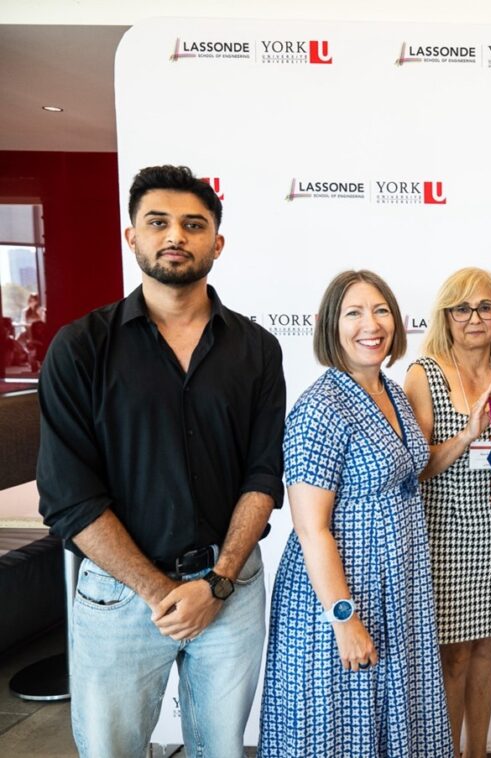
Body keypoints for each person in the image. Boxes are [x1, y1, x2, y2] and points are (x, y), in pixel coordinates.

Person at [37, 164, 285, 757]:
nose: (176, 235)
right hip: (118, 597)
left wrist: (218, 582)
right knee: (110, 750)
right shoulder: (81, 348)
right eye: (158, 222)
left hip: (231, 588)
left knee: (222, 749)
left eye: (193, 225)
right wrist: (158, 591)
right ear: (133, 236)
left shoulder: (256, 348)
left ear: (216, 243)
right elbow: (69, 497)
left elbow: (262, 475)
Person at [259, 270, 453, 756]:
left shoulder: (389, 391)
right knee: (340, 727)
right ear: (330, 325)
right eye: (354, 312)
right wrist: (344, 619)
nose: (371, 324)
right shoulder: (320, 408)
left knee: (389, 719)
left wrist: (468, 435)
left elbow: (411, 471)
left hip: (397, 587)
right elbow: (311, 527)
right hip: (343, 594)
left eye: (381, 310)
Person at [404, 267, 491, 758]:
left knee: (487, 647)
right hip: (445, 534)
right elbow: (416, 468)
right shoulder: (426, 372)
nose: (474, 318)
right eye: (462, 308)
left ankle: (477, 752)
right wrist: (468, 432)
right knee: (453, 656)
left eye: (485, 307)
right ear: (446, 317)